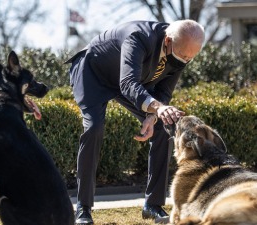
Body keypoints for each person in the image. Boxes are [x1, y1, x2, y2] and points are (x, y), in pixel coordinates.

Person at [66, 19, 205, 224]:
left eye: (189, 58)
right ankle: (83, 208)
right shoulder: (138, 37)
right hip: (92, 73)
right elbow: (128, 83)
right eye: (182, 56)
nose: (184, 61)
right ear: (167, 41)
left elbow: (164, 91)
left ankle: (153, 205)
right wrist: (157, 107)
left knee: (163, 126)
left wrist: (152, 116)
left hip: (128, 82)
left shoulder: (182, 48)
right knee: (94, 127)